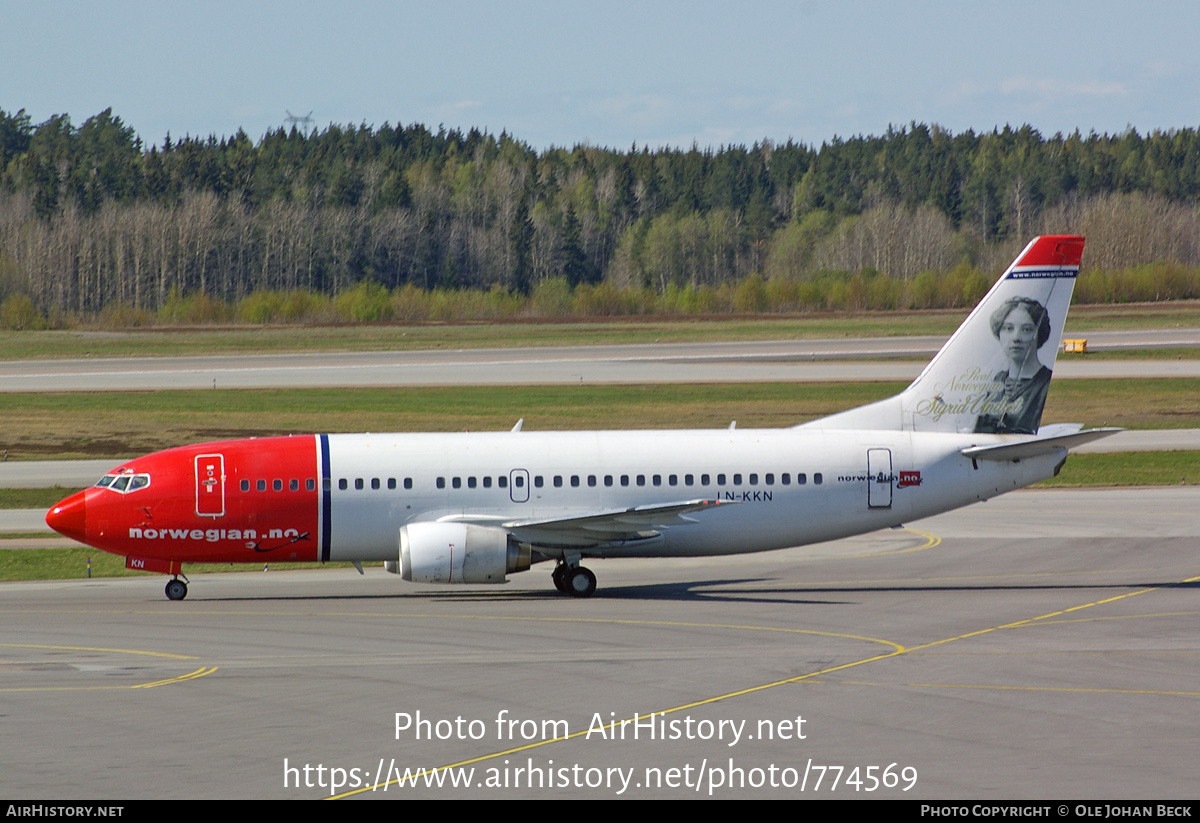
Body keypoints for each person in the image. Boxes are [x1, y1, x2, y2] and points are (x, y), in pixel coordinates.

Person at [973, 296, 1052, 434]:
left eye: (1027, 330)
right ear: (999, 333)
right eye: (1008, 328)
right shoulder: (998, 380)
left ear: (1039, 334)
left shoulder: (1043, 383)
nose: (1016, 338)